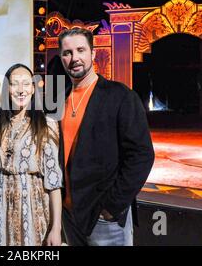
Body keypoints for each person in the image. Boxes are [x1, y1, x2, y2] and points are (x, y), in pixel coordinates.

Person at [57, 27, 155, 246]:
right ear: (61, 58)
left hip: (104, 219)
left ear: (92, 53)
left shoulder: (119, 96)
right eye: (67, 52)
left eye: (80, 50)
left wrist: (111, 208)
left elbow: (142, 155)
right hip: (70, 216)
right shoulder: (60, 99)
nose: (74, 58)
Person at [0, 63, 63, 246]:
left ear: (32, 89)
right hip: (1, 208)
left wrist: (56, 228)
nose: (20, 90)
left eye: (26, 84)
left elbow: (53, 183)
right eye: (15, 84)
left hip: (32, 207)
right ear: (7, 89)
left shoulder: (46, 125)